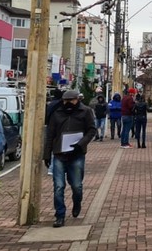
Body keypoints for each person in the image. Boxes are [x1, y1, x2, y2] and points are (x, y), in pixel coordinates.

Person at [43, 89, 96, 227]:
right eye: (66, 101)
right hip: (59, 153)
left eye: (71, 100)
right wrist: (47, 154)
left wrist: (81, 144)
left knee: (77, 185)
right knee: (59, 186)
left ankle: (77, 203)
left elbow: (92, 130)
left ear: (77, 100)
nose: (68, 103)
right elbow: (50, 135)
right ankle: (60, 215)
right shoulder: (56, 113)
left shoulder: (85, 112)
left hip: (76, 154)